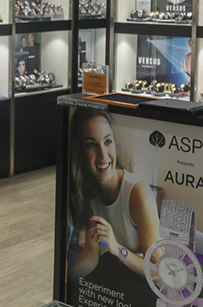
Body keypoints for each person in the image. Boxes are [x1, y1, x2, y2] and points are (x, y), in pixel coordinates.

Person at [66, 108, 161, 281]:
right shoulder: (89, 192)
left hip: (147, 283)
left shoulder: (138, 193)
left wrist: (117, 248)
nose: (103, 155)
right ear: (79, 152)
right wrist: (66, 280)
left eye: (107, 142)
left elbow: (159, 272)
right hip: (120, 276)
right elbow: (91, 255)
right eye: (91, 145)